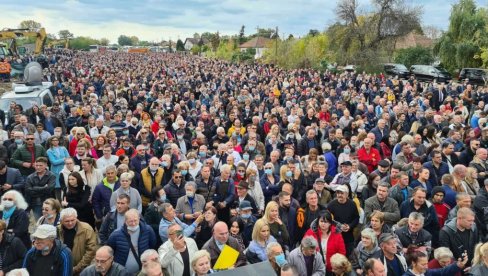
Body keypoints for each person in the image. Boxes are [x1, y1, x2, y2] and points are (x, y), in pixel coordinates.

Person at [107, 209, 156, 275]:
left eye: (135, 220)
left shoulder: (148, 230)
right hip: (122, 272)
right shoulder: (116, 234)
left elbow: (152, 245)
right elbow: (110, 250)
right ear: (125, 221)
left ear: (139, 218)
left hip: (142, 271)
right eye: (130, 221)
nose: (133, 224)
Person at [57, 208, 98, 274]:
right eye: (67, 221)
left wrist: (77, 268)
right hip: (62, 268)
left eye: (72, 220)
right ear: (61, 221)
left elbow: (91, 251)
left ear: (76, 218)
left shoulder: (86, 229)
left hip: (81, 270)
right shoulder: (57, 230)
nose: (70, 223)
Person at [327, 185, 360, 256]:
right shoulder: (331, 205)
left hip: (349, 236)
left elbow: (356, 218)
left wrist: (349, 226)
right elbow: (328, 220)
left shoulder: (352, 204)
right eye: (338, 193)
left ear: (347, 194)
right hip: (335, 235)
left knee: (348, 256)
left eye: (342, 193)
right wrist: (338, 226)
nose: (339, 195)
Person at [403, 250, 468, 276]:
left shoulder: (426, 272)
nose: (426, 266)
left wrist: (458, 265)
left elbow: (442, 271)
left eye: (426, 263)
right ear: (414, 263)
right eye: (423, 264)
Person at [46, 136, 70, 201]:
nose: (55, 141)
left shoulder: (63, 148)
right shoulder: (49, 151)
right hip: (56, 171)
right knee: (57, 187)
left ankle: (66, 201)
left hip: (65, 169)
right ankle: (59, 202)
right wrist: (63, 159)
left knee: (66, 185)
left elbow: (68, 158)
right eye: (53, 140)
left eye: (56, 140)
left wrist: (62, 160)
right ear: (51, 142)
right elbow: (53, 162)